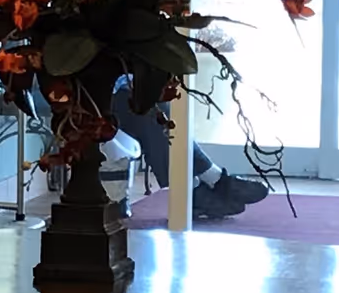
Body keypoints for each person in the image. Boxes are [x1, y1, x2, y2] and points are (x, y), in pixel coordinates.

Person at [110, 78, 269, 221]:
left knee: (167, 112)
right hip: (100, 96)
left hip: (126, 89)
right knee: (152, 117)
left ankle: (204, 185)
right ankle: (208, 184)